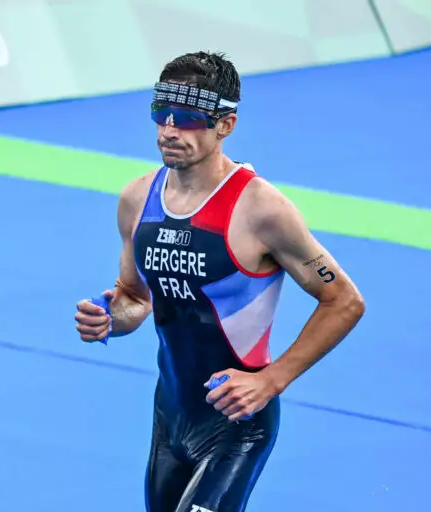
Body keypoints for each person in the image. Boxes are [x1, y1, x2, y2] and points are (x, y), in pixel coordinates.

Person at [74, 51, 365, 512]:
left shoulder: (262, 209)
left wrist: (272, 380)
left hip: (237, 426)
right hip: (170, 418)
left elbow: (344, 300)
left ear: (225, 125)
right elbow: (134, 297)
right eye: (162, 114)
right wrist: (110, 317)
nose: (170, 131)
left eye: (188, 118)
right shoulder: (137, 199)